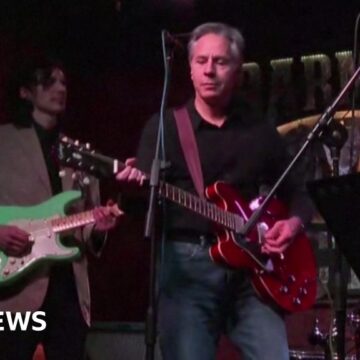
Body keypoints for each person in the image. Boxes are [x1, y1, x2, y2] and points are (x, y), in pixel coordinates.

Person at [117, 22, 313, 360]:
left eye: (220, 62)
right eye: (201, 61)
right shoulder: (164, 127)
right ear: (190, 70)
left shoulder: (259, 131)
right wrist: (132, 187)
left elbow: (299, 191)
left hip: (252, 274)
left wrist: (293, 224)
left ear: (237, 71)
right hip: (186, 269)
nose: (209, 70)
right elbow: (138, 208)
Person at [0, 57, 119, 360]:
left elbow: (89, 213)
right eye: (49, 81)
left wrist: (98, 227)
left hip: (68, 288)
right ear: (25, 91)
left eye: (64, 82)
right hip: (16, 286)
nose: (60, 88)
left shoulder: (80, 152)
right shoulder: (4, 141)